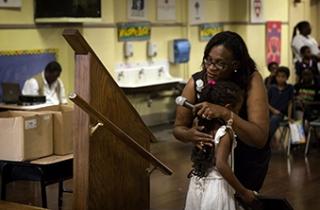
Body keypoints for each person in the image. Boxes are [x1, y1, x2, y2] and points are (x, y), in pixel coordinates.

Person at [173, 31, 270, 193]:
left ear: (236, 65)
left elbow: (259, 138)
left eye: (220, 64)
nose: (211, 68)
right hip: (210, 166)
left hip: (246, 161)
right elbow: (178, 128)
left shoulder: (251, 80)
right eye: (208, 60)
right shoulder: (197, 82)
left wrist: (226, 114)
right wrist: (189, 135)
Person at [185, 80, 257, 210]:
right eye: (237, 110)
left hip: (196, 184)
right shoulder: (225, 132)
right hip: (216, 190)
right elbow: (221, 165)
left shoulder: (200, 127)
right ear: (228, 108)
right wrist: (243, 191)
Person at [268, 66, 294, 148]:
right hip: (270, 112)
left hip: (281, 114)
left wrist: (289, 117)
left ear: (287, 78)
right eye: (278, 76)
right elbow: (266, 103)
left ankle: (266, 139)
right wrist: (273, 110)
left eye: (283, 76)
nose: (280, 78)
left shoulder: (290, 88)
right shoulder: (272, 88)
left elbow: (290, 103)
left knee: (275, 119)